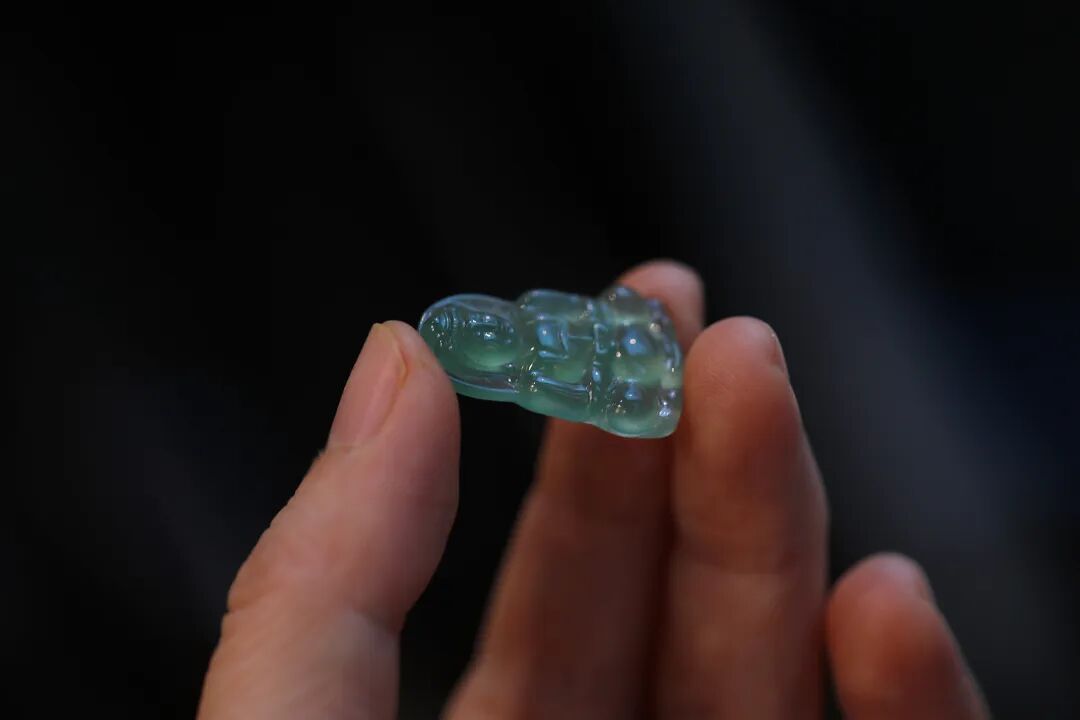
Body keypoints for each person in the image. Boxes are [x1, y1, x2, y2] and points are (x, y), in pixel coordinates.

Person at [196, 261, 989, 719]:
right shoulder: (525, 364)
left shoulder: (538, 324)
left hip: (620, 351)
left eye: (482, 327)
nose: (485, 333)